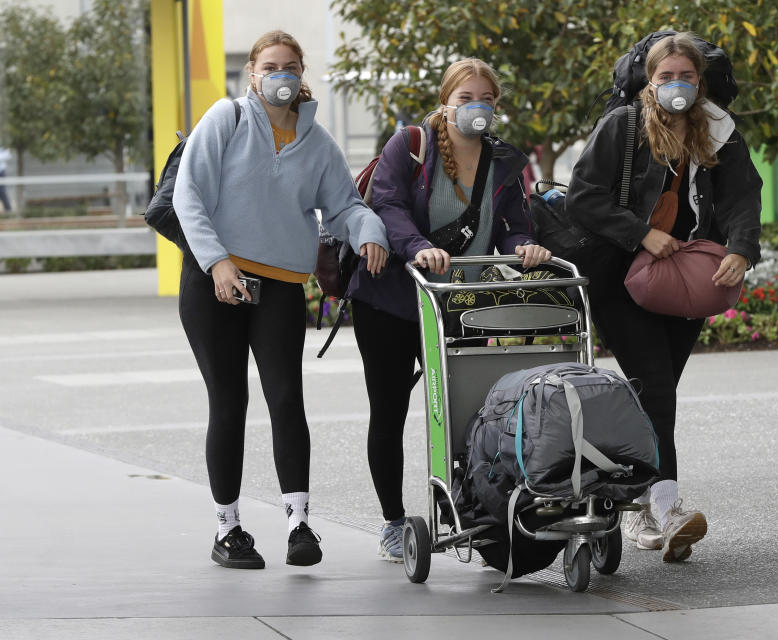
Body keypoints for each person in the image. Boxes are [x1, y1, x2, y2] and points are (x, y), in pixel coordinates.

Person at [172, 30, 388, 569]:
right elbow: (187, 195)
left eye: (291, 66)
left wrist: (369, 230)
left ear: (302, 72)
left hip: (281, 288)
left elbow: (344, 205)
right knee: (230, 403)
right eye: (271, 66)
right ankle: (228, 530)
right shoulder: (227, 118)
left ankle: (299, 524)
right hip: (213, 282)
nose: (282, 75)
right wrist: (218, 262)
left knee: (286, 399)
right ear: (252, 72)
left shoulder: (317, 143)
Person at [565, 33, 761, 562]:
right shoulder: (623, 125)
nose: (678, 86)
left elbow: (744, 193)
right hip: (621, 276)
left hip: (685, 278)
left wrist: (741, 247)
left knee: (655, 392)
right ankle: (663, 508)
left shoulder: (718, 128)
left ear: (702, 81)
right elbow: (583, 197)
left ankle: (627, 492)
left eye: (687, 77)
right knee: (655, 387)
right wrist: (639, 233)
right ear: (648, 80)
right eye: (666, 76)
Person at [347, 58, 552, 561]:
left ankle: (477, 513)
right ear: (446, 102)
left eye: (485, 99)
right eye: (465, 99)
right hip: (393, 298)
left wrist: (526, 247)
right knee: (390, 409)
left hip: (461, 302)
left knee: (475, 413)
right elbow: (387, 205)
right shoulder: (411, 146)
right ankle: (394, 522)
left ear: (496, 107)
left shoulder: (506, 160)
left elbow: (513, 225)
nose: (475, 108)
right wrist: (417, 245)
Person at [0, 147, 12, 212]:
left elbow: (8, 155)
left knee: (2, 191)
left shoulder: (2, 147)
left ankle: (8, 209)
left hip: (1, 172)